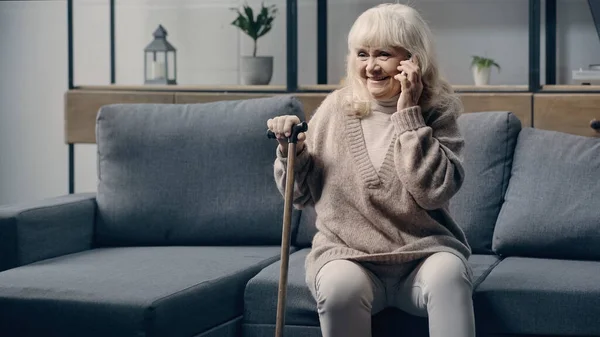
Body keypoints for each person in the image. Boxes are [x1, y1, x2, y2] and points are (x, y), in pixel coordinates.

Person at [266, 3, 474, 337]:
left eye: (384, 54)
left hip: (423, 255)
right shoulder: (336, 109)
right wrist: (292, 150)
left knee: (449, 275)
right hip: (349, 257)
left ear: (413, 59)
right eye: (362, 54)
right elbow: (300, 195)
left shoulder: (437, 112)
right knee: (339, 288)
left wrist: (408, 117)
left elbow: (434, 190)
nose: (372, 67)